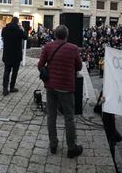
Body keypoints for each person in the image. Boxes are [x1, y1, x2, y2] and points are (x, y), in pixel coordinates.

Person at [38, 25, 83, 158]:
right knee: (69, 117)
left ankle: (53, 144)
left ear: (55, 35)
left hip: (50, 86)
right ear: (66, 35)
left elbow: (40, 65)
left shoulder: (48, 46)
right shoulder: (73, 48)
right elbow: (79, 66)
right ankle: (71, 148)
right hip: (66, 87)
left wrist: (47, 71)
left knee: (51, 116)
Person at [2, 17, 28, 96]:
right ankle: (12, 87)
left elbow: (3, 37)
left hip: (7, 54)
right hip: (16, 55)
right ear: (17, 22)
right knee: (14, 72)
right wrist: (22, 28)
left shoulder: (4, 29)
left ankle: (5, 89)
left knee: (6, 71)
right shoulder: (19, 30)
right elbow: (26, 37)